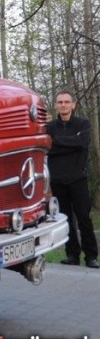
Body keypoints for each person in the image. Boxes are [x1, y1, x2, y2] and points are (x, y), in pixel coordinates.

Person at [46, 91, 98, 268]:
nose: (63, 105)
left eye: (67, 102)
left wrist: (57, 142)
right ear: (55, 105)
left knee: (84, 218)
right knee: (66, 219)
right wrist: (71, 142)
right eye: (60, 102)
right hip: (58, 181)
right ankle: (72, 255)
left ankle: (91, 257)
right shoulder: (50, 127)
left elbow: (82, 143)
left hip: (78, 179)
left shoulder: (82, 123)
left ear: (73, 105)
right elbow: (48, 148)